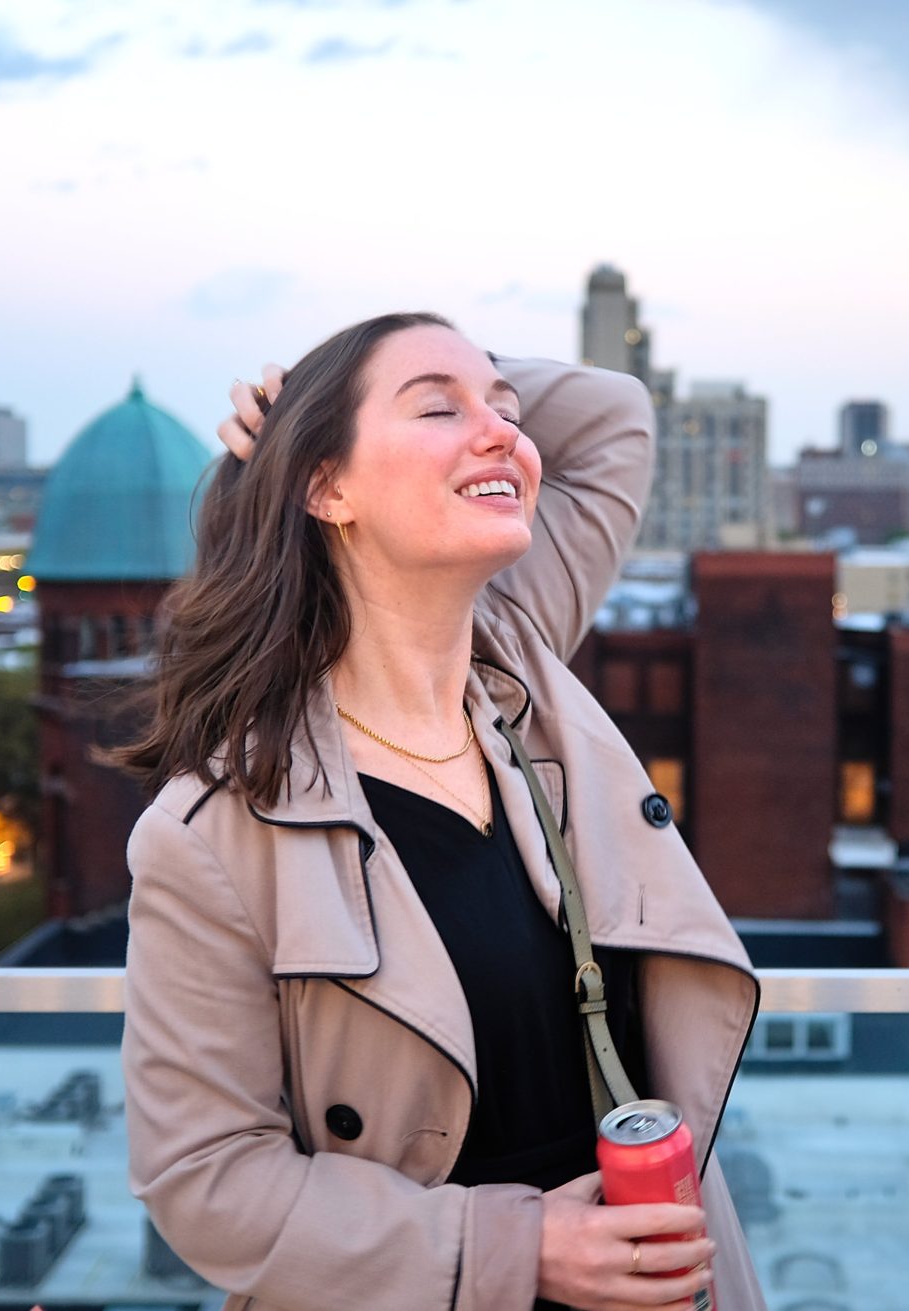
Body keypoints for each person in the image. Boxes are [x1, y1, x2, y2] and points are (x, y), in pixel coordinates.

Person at [116, 312, 765, 1311]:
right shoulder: (213, 832)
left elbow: (612, 414)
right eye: (437, 409)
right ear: (326, 486)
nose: (502, 433)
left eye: (506, 413)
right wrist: (521, 1251)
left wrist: (380, 389)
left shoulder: (518, 660)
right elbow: (206, 1182)